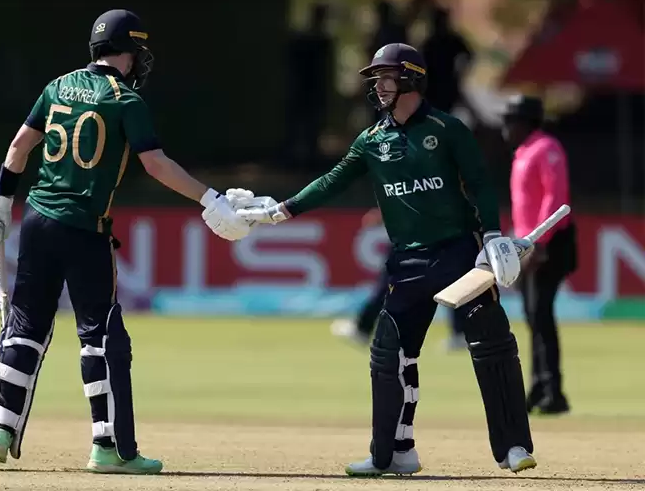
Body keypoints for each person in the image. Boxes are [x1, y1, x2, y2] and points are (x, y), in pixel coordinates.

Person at [0, 9, 251, 474]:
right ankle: (109, 448)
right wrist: (210, 198)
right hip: (86, 228)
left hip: (37, 220)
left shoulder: (58, 86)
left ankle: (0, 429)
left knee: (24, 326)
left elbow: (19, 147)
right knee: (100, 337)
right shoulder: (126, 100)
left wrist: (0, 205)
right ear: (129, 52)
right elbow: (156, 165)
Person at [238, 43, 536, 476]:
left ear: (410, 78)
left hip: (460, 255)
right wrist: (281, 211)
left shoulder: (447, 129)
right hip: (407, 262)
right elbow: (333, 180)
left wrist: (491, 235)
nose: (378, 87)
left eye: (386, 78)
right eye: (376, 79)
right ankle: (394, 453)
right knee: (389, 355)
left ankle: (513, 447)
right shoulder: (372, 140)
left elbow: (480, 183)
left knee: (492, 346)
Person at [502, 95, 577, 415]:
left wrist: (540, 243)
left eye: (510, 121)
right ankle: (538, 388)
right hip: (529, 244)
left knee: (540, 314)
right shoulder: (524, 151)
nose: (506, 128)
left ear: (526, 122)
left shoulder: (546, 148)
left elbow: (554, 198)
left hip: (549, 244)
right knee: (534, 315)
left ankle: (552, 391)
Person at [330, 208, 467, 352]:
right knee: (450, 280)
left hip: (411, 236)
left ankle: (363, 329)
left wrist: (383, 212)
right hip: (441, 233)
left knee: (391, 283)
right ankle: (460, 332)